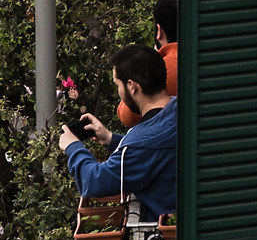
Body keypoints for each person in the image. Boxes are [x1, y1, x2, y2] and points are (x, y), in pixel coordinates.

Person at [58, 43, 177, 218]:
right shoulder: (178, 110)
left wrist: (73, 147)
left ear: (131, 87)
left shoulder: (142, 141)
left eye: (117, 85)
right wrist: (110, 139)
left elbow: (94, 181)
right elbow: (150, 154)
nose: (118, 92)